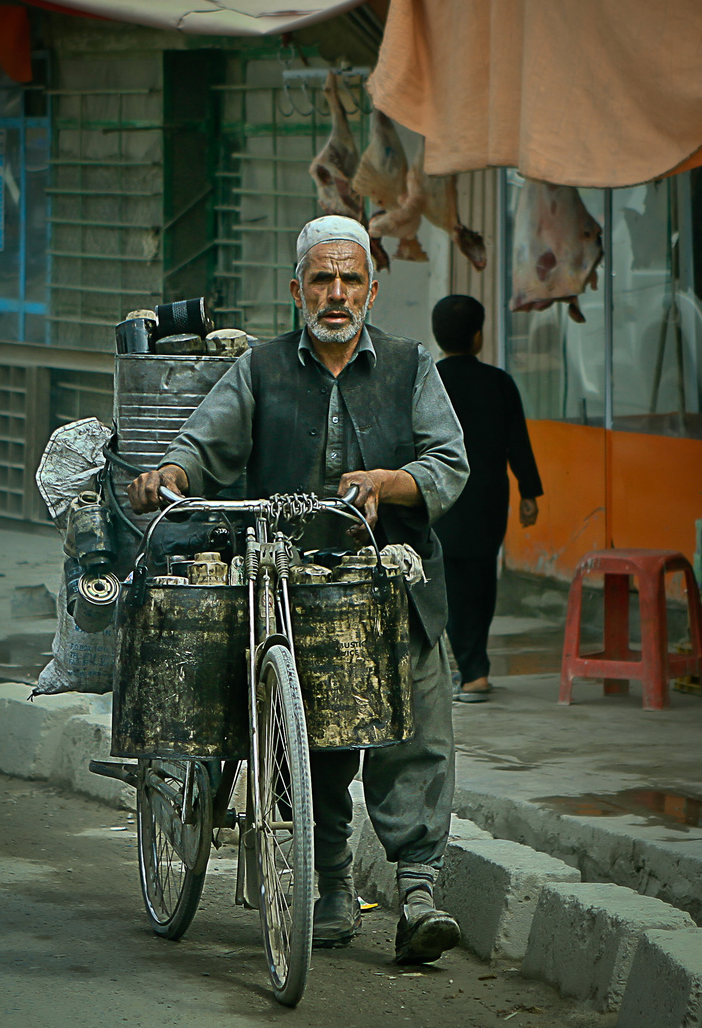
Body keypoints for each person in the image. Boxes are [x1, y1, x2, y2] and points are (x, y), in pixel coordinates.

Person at [128, 215, 470, 965]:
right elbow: (202, 443)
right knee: (304, 748)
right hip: (285, 589)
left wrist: (391, 483)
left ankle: (417, 895)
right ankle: (331, 888)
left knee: (413, 741)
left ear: (372, 289)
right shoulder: (258, 370)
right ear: (297, 291)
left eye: (350, 279)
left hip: (394, 587)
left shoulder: (412, 367)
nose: (337, 294)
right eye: (322, 279)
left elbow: (449, 463)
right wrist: (171, 476)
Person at [431, 294, 543, 703]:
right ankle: (474, 669)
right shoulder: (499, 382)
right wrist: (530, 493)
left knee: (444, 581)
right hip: (487, 502)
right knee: (479, 580)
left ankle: (455, 669)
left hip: (440, 498)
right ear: (478, 336)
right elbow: (519, 443)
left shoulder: (428, 381)